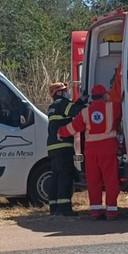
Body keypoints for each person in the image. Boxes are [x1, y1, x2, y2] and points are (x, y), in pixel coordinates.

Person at [58, 83, 122, 220]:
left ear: (92, 97)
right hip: (108, 151)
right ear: (105, 95)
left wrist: (60, 132)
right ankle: (111, 212)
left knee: (93, 182)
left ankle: (95, 212)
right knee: (111, 181)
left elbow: (73, 127)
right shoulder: (112, 108)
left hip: (91, 153)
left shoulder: (85, 112)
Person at [46, 82, 86, 216]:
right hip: (63, 146)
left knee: (56, 177)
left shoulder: (52, 106)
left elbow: (71, 109)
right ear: (59, 93)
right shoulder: (62, 103)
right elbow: (75, 111)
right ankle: (64, 208)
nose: (67, 92)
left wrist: (79, 100)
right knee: (65, 177)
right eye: (65, 91)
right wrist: (84, 103)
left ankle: (54, 207)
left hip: (53, 147)